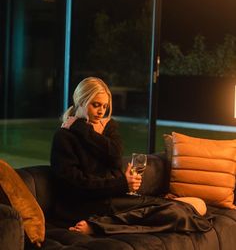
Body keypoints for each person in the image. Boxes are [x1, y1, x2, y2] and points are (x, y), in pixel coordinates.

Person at [50, 77, 212, 235]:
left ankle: (103, 224)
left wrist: (82, 129)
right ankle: (98, 226)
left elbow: (115, 156)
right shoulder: (64, 137)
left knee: (197, 206)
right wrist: (122, 183)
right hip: (86, 204)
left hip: (112, 197)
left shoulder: (106, 127)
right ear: (81, 102)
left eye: (105, 106)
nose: (101, 111)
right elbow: (76, 185)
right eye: (96, 105)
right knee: (176, 212)